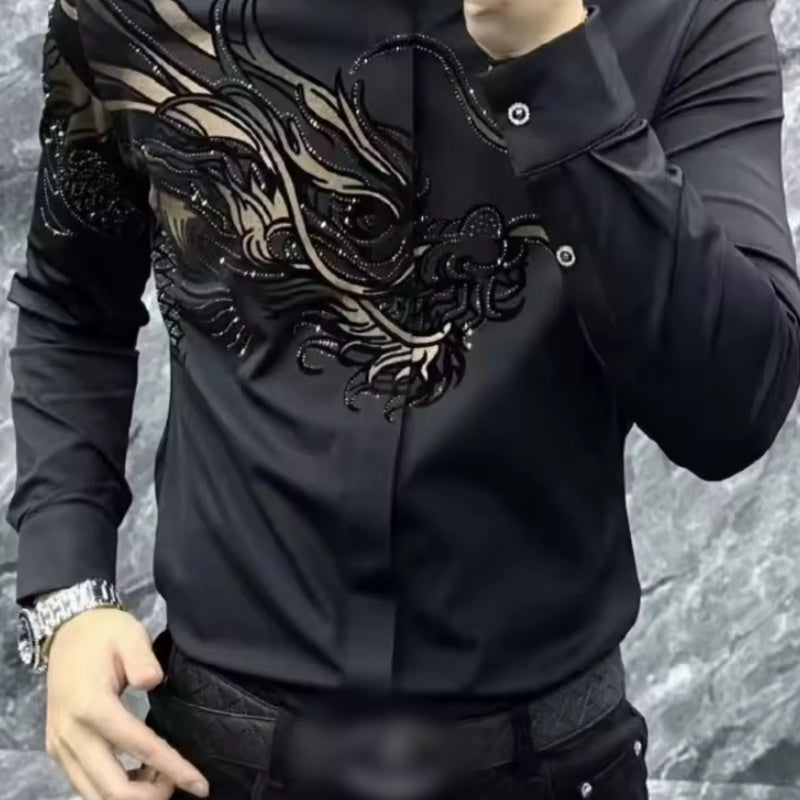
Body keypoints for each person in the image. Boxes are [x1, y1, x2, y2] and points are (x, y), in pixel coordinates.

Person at [7, 0, 800, 797]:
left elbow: (731, 411)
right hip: (220, 755)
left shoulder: (681, 14)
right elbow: (71, 305)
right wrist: (68, 596)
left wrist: (557, 64)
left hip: (551, 761)